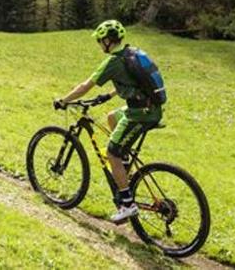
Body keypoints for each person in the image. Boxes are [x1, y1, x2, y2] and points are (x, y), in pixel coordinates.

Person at [54, 19, 163, 224]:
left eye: (99, 41)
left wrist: (63, 100)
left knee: (112, 152)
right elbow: (132, 82)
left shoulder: (113, 61)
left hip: (141, 113)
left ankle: (127, 204)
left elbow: (86, 85)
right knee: (112, 117)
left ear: (107, 41)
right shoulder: (130, 53)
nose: (99, 45)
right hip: (149, 108)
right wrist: (109, 95)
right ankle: (123, 167)